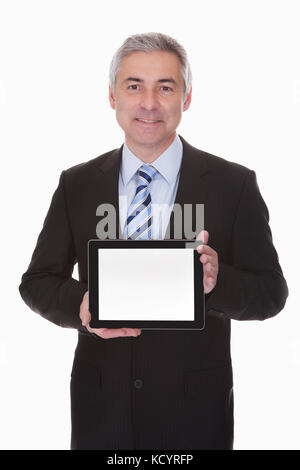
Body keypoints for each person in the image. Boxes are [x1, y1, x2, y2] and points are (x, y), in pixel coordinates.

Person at [19, 32, 289, 450]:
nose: (149, 103)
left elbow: (271, 294)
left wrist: (219, 282)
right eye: (134, 86)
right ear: (112, 97)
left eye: (165, 87)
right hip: (100, 411)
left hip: (195, 416)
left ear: (187, 97)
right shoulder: (77, 184)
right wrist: (82, 307)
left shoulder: (233, 185)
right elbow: (37, 280)